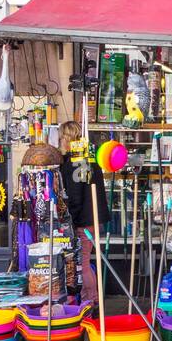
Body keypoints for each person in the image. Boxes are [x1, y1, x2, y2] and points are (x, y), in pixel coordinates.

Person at [58, 121, 109, 304]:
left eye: (61, 138)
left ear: (67, 138)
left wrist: (69, 220)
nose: (60, 142)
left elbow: (75, 197)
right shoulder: (88, 159)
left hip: (83, 221)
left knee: (83, 264)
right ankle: (91, 300)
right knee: (85, 262)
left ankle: (90, 302)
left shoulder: (74, 162)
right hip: (92, 218)